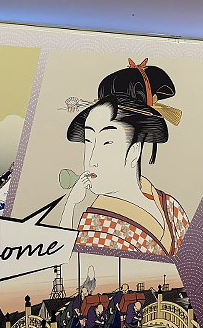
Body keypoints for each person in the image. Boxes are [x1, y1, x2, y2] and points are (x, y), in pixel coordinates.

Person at [58, 60, 190, 256]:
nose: (92, 160)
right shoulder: (96, 226)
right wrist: (70, 206)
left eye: (106, 142)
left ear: (134, 151)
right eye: (89, 141)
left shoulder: (169, 206)